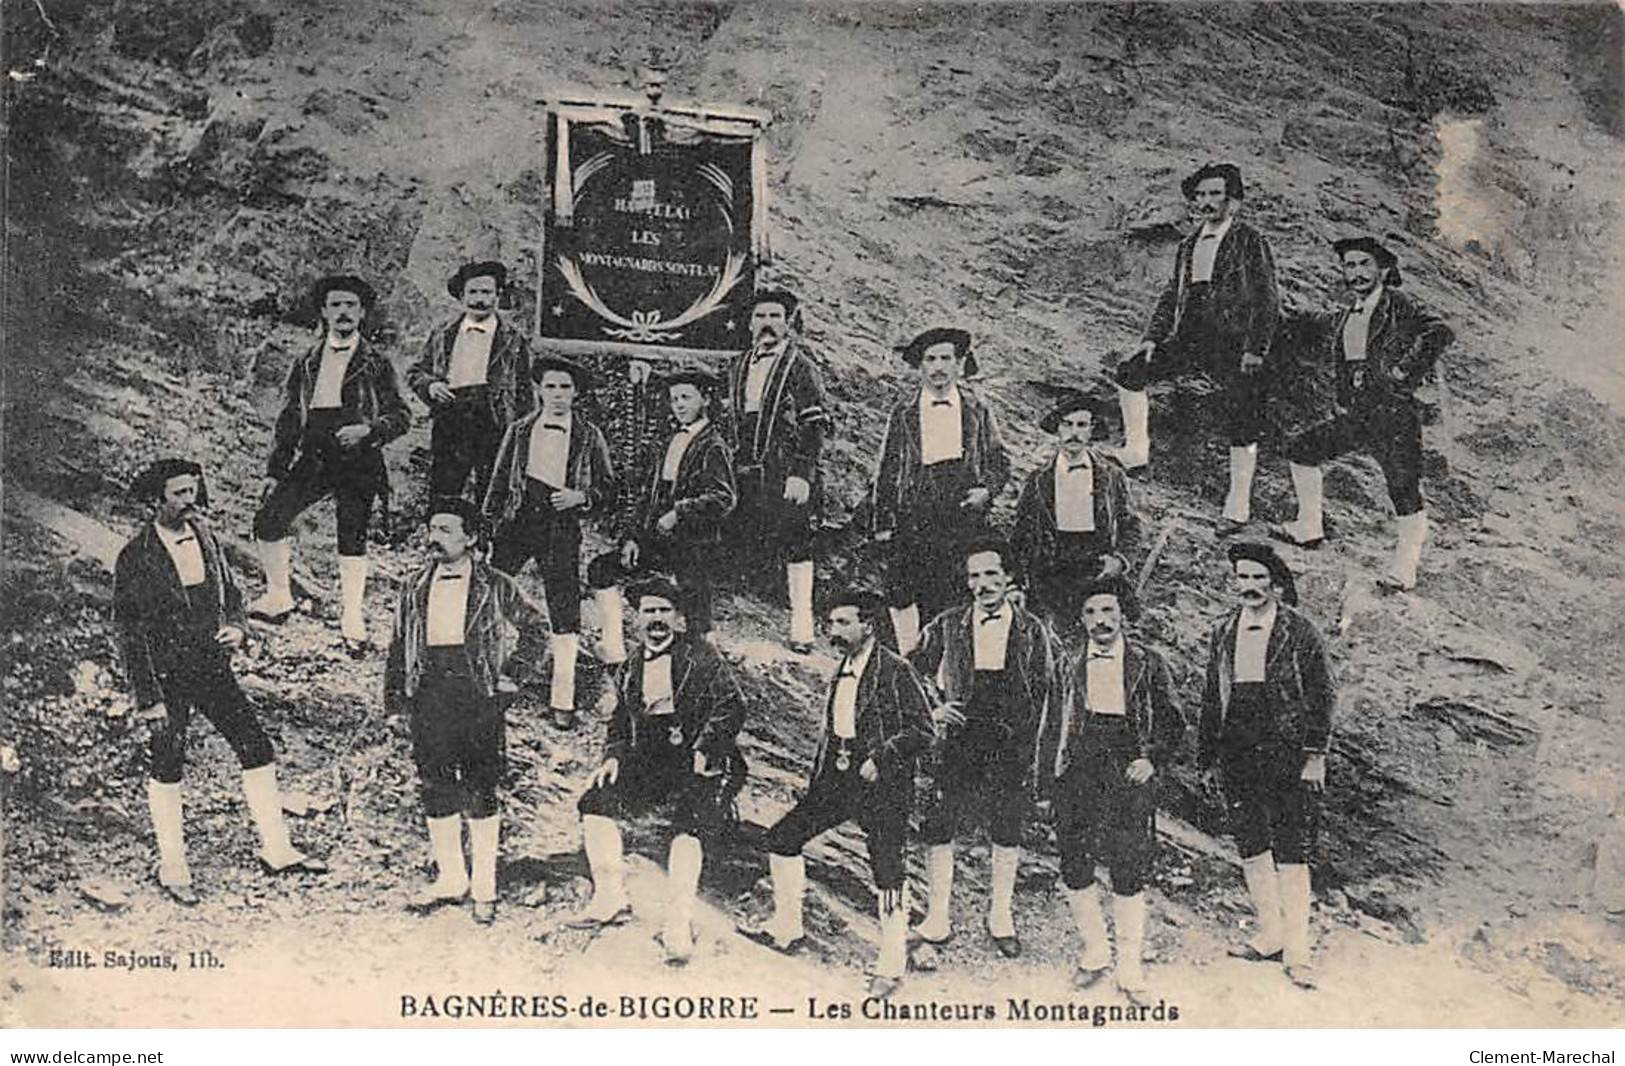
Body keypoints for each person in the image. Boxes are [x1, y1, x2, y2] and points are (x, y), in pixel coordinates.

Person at [115, 459, 327, 904]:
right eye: (178, 494)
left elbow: (231, 595)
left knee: (256, 747)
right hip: (167, 674)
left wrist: (238, 627)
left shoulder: (207, 539)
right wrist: (148, 698)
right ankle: (172, 865)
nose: (189, 501)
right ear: (156, 500)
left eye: (192, 491)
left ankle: (278, 849)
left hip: (212, 666)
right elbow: (130, 634)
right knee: (167, 762)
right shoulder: (135, 556)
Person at [741, 586, 934, 998]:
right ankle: (787, 928)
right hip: (837, 777)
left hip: (882, 784)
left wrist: (881, 757)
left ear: (868, 625)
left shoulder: (895, 669)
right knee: (782, 838)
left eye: (844, 622)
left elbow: (923, 730)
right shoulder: (841, 666)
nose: (834, 630)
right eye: (831, 623)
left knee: (887, 868)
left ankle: (892, 961)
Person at [383, 498, 549, 924]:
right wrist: (395, 703)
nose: (433, 538)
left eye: (445, 530)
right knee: (435, 784)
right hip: (429, 692)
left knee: (480, 787)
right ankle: (451, 879)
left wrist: (512, 675)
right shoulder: (414, 584)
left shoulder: (497, 584)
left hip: (478, 696)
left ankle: (485, 887)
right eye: (431, 529)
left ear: (471, 537)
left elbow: (536, 628)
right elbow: (398, 645)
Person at [570, 577, 748, 965]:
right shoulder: (632, 663)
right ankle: (610, 895)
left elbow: (732, 705)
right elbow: (619, 720)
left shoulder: (702, 656)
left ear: (678, 618)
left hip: (699, 757)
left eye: (664, 611)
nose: (656, 619)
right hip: (648, 758)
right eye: (649, 611)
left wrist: (705, 749)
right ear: (637, 618)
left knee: (689, 823)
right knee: (595, 801)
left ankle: (678, 921)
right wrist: (613, 757)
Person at [1272, 236, 1455, 591]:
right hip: (1357, 412)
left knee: (1403, 488)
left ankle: (1405, 571)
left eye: (1364, 264)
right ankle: (1309, 527)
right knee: (1302, 450)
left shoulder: (1396, 303)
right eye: (1350, 265)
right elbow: (1314, 324)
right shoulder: (1347, 315)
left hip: (1392, 412)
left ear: (1383, 270)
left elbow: (1440, 330)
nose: (1355, 272)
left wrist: (1404, 373)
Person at [1033, 576, 1184, 1001]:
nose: (1100, 621)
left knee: (1128, 864)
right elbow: (1050, 726)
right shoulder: (1068, 663)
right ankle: (1096, 952)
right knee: (1074, 861)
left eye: (1108, 611)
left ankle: (1130, 965)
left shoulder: (1149, 662)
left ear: (1122, 615)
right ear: (1081, 619)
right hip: (1079, 767)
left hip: (1127, 767)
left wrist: (1151, 759)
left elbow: (1174, 721)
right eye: (1091, 613)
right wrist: (1046, 783)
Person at [1111, 163, 1281, 535]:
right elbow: (1173, 292)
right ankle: (1137, 451)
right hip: (1190, 335)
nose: (1206, 202)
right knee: (1130, 372)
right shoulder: (1188, 244)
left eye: (1214, 194)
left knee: (1244, 415)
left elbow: (1266, 296)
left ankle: (1238, 505)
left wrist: (1256, 348)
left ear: (1233, 201)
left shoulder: (1248, 239)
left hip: (1234, 340)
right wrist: (1152, 338)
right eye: (1200, 195)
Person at [910, 537, 1056, 958]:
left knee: (1006, 823)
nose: (982, 583)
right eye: (974, 576)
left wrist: (1035, 745)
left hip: (1011, 737)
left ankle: (1001, 916)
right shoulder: (947, 623)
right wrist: (935, 708)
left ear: (1009, 577)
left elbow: (1049, 687)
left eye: (992, 574)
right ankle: (937, 917)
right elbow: (910, 668)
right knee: (941, 821)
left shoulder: (1033, 629)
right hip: (960, 736)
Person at [249, 274, 412, 650]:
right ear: (323, 311)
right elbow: (289, 418)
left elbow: (401, 416)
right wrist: (276, 470)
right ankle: (278, 596)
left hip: (358, 459)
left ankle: (352, 617)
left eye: (350, 305)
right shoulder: (306, 361)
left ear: (362, 313)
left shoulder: (376, 363)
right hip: (314, 453)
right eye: (335, 304)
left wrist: (368, 431)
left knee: (351, 537)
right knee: (269, 520)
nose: (343, 312)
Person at [1198, 542, 1334, 989]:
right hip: (1237, 746)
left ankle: (1298, 949)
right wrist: (1207, 757)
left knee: (1292, 846)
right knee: (1251, 842)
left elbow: (1322, 694)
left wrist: (1314, 755)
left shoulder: (1300, 631)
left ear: (1275, 584)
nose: (1250, 587)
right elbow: (1211, 697)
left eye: (1259, 578)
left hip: (1286, 749)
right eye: (1243, 578)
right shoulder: (1223, 631)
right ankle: (1270, 934)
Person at [482, 356, 614, 729]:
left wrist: (580, 497)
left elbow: (609, 488)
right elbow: (497, 481)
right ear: (538, 390)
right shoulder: (520, 429)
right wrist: (486, 526)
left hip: (560, 525)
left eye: (565, 387)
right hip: (517, 519)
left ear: (576, 393)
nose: (557, 394)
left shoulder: (589, 434)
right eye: (550, 386)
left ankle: (562, 698)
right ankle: (485, 677)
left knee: (564, 607)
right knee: (490, 594)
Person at [872, 327, 1011, 655]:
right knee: (904, 587)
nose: (938, 367)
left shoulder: (977, 409)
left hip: (961, 511)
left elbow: (999, 460)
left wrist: (986, 492)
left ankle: (952, 665)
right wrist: (882, 523)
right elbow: (887, 467)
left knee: (955, 590)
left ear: (959, 364)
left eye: (945, 358)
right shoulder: (904, 411)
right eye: (930, 359)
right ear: (920, 366)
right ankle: (909, 657)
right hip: (915, 511)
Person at [589, 369, 736, 659]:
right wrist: (632, 537)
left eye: (686, 397)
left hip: (695, 544)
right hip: (658, 539)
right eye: (674, 399)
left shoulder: (713, 445)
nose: (679, 405)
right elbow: (649, 496)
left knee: (697, 615)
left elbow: (723, 498)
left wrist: (679, 513)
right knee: (601, 569)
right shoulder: (669, 440)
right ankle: (615, 649)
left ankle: (706, 666)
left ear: (705, 400)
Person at [723, 288, 830, 652]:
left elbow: (814, 422)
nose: (767, 324)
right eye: (760, 317)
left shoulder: (801, 366)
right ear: (750, 323)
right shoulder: (738, 364)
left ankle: (802, 624)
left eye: (775, 317)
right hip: (745, 465)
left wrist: (802, 471)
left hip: (784, 466)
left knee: (796, 540)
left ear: (787, 324)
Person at [1011, 391, 1142, 638]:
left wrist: (1121, 560)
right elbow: (1021, 534)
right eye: (1067, 425)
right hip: (1051, 573)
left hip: (1096, 570)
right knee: (1050, 641)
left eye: (1081, 425)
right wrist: (1017, 580)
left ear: (1091, 430)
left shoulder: (1112, 476)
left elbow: (1130, 524)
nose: (1074, 432)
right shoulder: (1038, 479)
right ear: (1058, 429)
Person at [407, 260, 536, 503]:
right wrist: (431, 386)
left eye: (486, 292)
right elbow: (416, 371)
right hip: (451, 419)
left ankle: (486, 540)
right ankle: (443, 539)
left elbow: (526, 391)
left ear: (497, 295)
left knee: (492, 493)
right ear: (462, 296)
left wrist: (521, 436)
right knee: (445, 489)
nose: (479, 299)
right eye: (472, 292)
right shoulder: (443, 333)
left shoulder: (514, 339)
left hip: (494, 421)